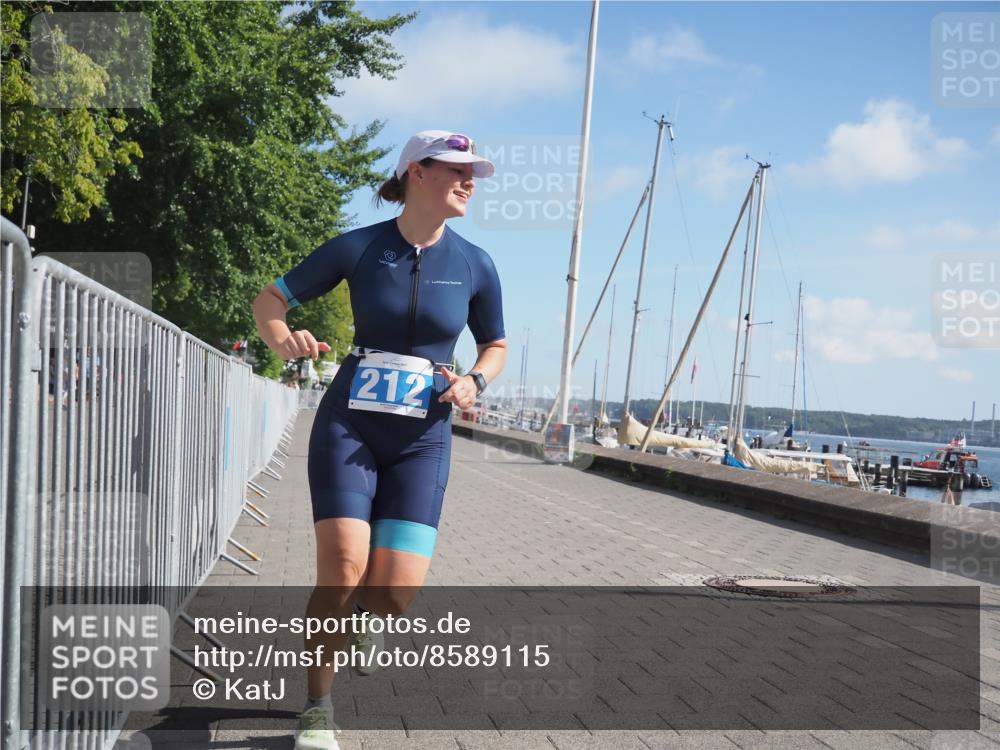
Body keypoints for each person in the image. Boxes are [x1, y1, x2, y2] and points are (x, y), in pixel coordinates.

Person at [252, 130, 506, 750]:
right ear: (417, 173)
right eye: (456, 169)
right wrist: (280, 337)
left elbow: (495, 345)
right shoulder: (360, 247)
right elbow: (270, 299)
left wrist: (473, 381)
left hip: (423, 437)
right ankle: (317, 707)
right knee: (342, 567)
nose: (469, 180)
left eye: (473, 171)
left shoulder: (476, 263)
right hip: (350, 425)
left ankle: (366, 619)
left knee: (395, 590)